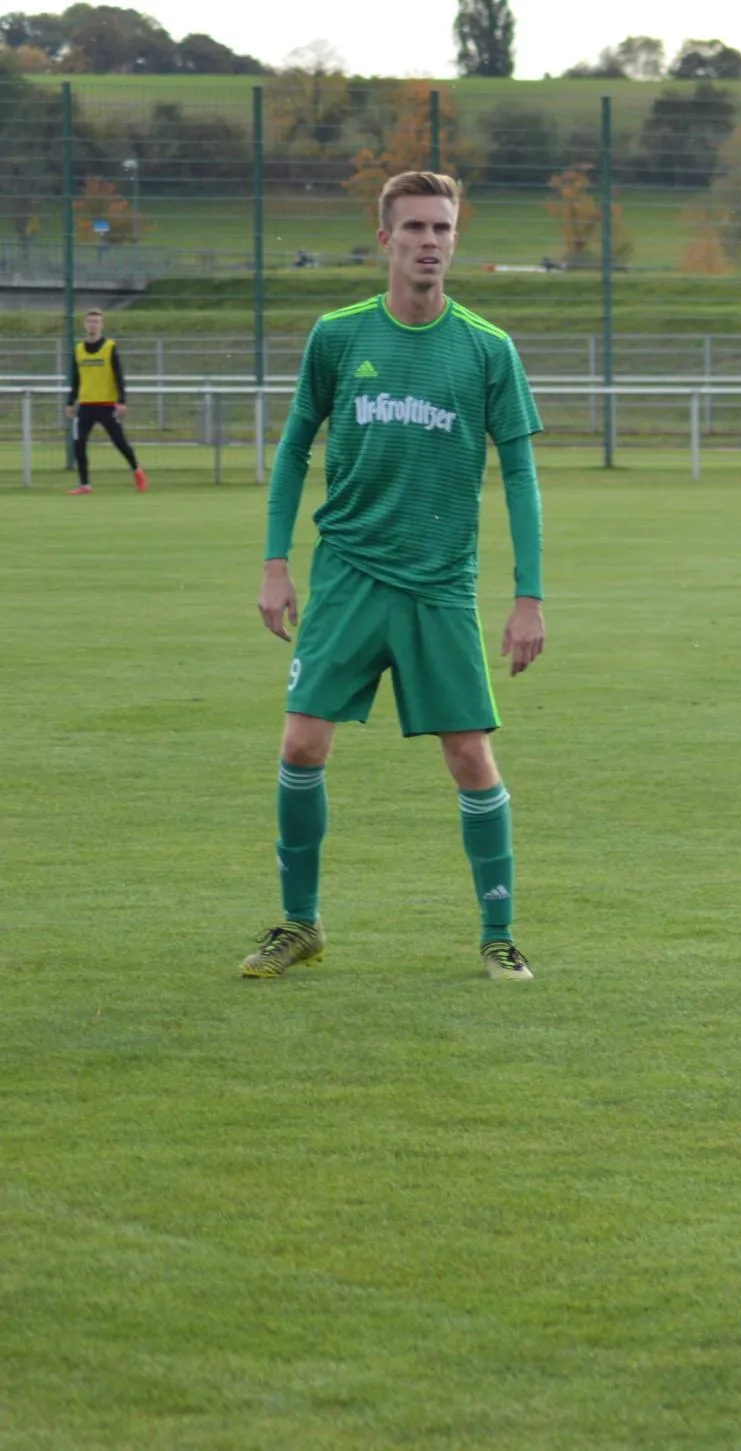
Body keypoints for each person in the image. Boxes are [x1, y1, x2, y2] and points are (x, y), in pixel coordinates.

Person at [241, 171, 547, 982]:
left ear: (456, 240)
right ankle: (299, 923)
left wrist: (528, 595)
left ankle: (498, 934)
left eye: (441, 228)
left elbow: (520, 475)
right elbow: (293, 448)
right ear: (385, 239)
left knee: (470, 756)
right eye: (414, 227)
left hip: (438, 585)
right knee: (301, 743)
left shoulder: (487, 348)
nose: (429, 242)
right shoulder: (339, 336)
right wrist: (275, 564)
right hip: (346, 574)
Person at [63, 308, 147, 495]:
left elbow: (119, 376)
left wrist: (122, 400)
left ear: (101, 325)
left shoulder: (109, 347)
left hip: (107, 405)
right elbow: (76, 378)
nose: (92, 325)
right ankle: (85, 484)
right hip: (86, 405)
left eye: (96, 322)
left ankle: (137, 470)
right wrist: (70, 402)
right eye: (90, 321)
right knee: (78, 442)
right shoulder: (78, 349)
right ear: (85, 325)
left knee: (120, 442)